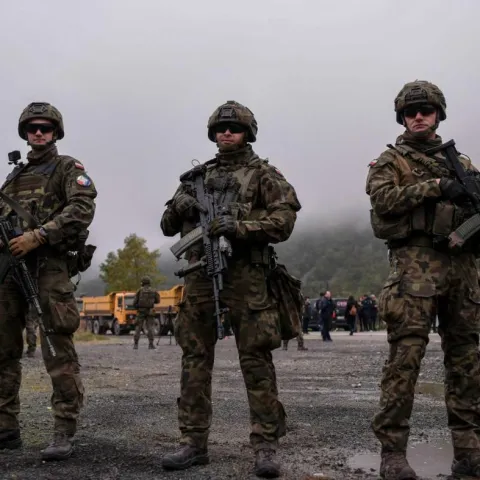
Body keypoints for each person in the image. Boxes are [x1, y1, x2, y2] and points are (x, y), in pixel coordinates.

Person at [160, 100, 301, 477]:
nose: (227, 134)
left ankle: (266, 444)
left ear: (247, 133)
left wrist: (241, 228)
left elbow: (284, 220)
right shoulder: (194, 178)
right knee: (194, 360)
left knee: (255, 361)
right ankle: (193, 441)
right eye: (221, 129)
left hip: (248, 279)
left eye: (234, 128)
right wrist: (180, 206)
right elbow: (166, 225)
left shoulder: (263, 174)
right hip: (199, 278)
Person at [366, 80, 480, 480]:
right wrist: (435, 186)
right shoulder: (391, 161)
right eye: (411, 111)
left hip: (463, 273)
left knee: (467, 363)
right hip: (415, 269)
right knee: (405, 362)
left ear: (437, 115)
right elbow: (382, 200)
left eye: (425, 110)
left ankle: (468, 451)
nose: (418, 116)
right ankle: (393, 453)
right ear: (402, 117)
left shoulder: (463, 165)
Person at [0, 102, 97, 461]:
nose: (38, 133)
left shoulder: (67, 168)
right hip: (10, 269)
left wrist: (39, 235)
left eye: (45, 127)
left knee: (57, 351)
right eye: (32, 127)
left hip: (49, 268)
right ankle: (6, 429)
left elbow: (82, 208)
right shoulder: (13, 176)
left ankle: (63, 431)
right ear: (25, 132)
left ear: (55, 131)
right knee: (3, 351)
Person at [133, 276, 160, 350]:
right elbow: (158, 301)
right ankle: (151, 344)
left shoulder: (139, 290)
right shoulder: (153, 291)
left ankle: (136, 345)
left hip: (141, 311)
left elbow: (134, 302)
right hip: (150, 311)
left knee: (138, 327)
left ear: (143, 283)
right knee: (150, 327)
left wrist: (137, 307)